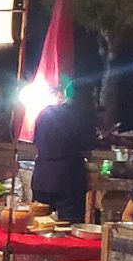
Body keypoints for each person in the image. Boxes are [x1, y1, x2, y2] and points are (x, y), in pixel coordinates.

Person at [31, 88, 93, 222]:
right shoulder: (80, 116)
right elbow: (88, 144)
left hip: (42, 177)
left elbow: (35, 140)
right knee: (69, 225)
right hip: (68, 179)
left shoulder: (45, 114)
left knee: (40, 223)